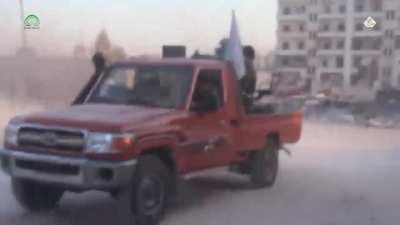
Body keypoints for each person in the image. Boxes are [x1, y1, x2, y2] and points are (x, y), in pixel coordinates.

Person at [240, 46, 257, 110]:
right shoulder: (248, 64)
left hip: (245, 102)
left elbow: (247, 81)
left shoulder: (246, 63)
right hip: (247, 99)